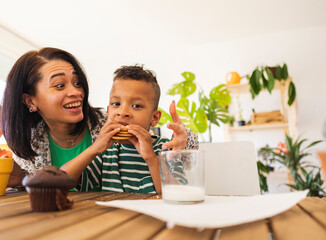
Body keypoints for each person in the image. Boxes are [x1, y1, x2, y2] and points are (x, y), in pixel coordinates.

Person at [1, 47, 198, 188]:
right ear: (30, 101)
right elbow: (52, 184)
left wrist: (184, 142)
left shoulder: (110, 124)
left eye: (77, 83)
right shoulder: (30, 140)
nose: (76, 92)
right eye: (60, 85)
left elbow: (180, 177)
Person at [61, 65, 187, 193]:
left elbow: (177, 194)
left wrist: (151, 159)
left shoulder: (166, 149)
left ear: (154, 118)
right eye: (116, 104)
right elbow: (62, 181)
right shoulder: (107, 153)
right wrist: (95, 148)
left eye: (136, 105)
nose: (122, 112)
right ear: (108, 111)